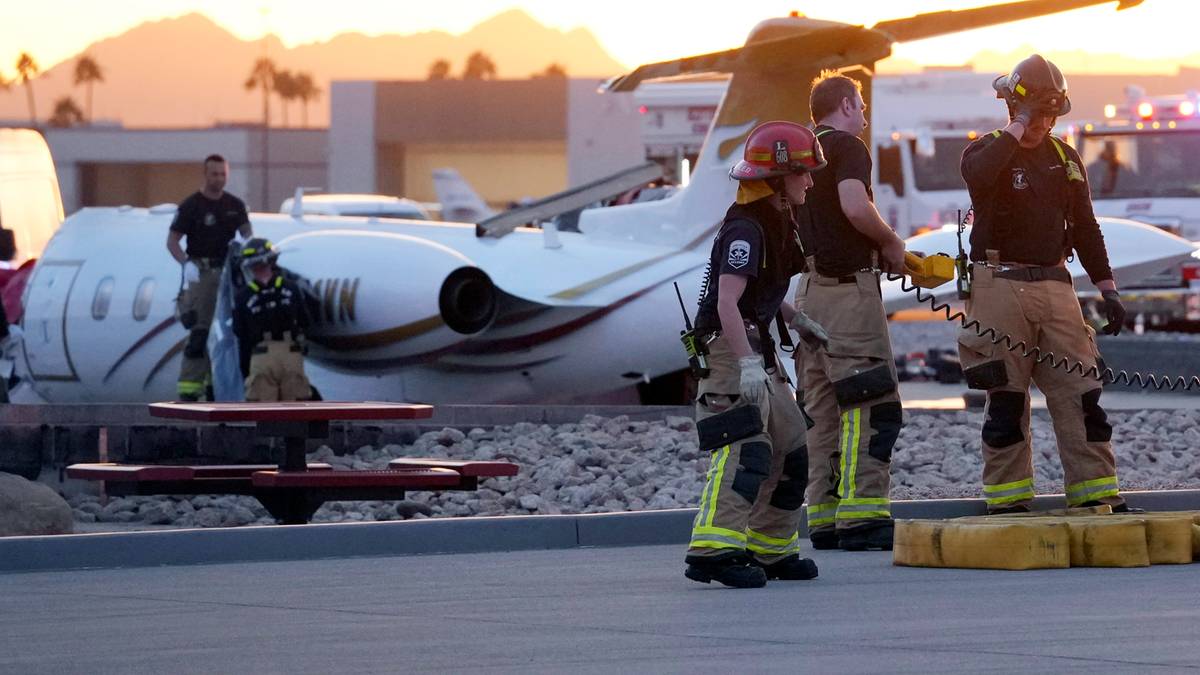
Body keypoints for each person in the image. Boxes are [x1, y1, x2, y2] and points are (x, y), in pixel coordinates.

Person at [958, 54, 1131, 514]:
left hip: (1056, 286)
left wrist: (1107, 287)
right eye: (1038, 113)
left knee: (1082, 396)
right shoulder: (986, 150)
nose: (1046, 123)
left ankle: (1096, 494)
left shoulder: (1065, 158)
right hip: (999, 285)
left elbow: (1088, 228)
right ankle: (1008, 502)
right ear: (1014, 108)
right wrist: (1019, 125)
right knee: (1007, 403)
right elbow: (978, 175)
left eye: (1052, 114)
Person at [684, 120, 829, 589]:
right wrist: (746, 363)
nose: (810, 180)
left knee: (791, 447)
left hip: (756, 346)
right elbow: (727, 303)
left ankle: (769, 547)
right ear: (777, 179)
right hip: (731, 350)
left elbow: (760, 293)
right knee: (745, 448)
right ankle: (713, 551)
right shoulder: (746, 228)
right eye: (803, 172)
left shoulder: (775, 219)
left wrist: (798, 319)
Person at [794, 72, 906, 552]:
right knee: (869, 403)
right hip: (847, 295)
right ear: (843, 105)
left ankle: (823, 516)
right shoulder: (847, 148)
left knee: (820, 411)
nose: (863, 113)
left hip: (807, 295)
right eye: (859, 104)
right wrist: (891, 242)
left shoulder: (798, 153)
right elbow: (855, 208)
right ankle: (862, 518)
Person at [167, 154, 252, 401]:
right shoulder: (192, 206)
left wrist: (246, 246)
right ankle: (189, 392)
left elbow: (248, 234)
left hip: (228, 275)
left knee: (228, 333)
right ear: (205, 175)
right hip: (202, 274)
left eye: (223, 174)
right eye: (214, 174)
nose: (219, 179)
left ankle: (218, 388)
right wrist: (185, 264)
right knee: (200, 332)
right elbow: (172, 241)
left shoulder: (235, 206)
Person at [231, 238, 313, 402]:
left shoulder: (243, 296)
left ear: (249, 266)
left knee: (264, 410)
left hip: (261, 355)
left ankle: (270, 429)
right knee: (296, 407)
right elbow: (305, 320)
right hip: (291, 353)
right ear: (272, 260)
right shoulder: (291, 287)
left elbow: (240, 331)